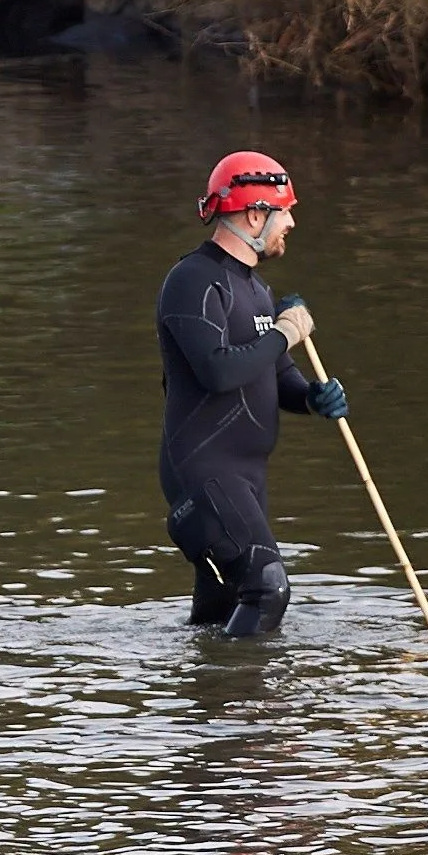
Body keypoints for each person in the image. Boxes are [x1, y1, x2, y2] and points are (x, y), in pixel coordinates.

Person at [160, 150, 352, 638]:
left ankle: (212, 699)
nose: (289, 222)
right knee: (268, 587)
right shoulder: (193, 282)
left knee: (221, 611)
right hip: (203, 472)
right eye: (283, 211)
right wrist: (284, 333)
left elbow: (274, 372)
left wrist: (312, 397)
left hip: (244, 476)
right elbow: (218, 373)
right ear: (253, 214)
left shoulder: (258, 289)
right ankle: (249, 704)